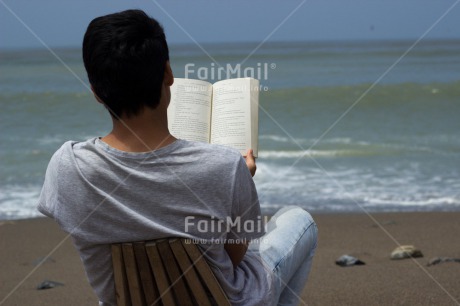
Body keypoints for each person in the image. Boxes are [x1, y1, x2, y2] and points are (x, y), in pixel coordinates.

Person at [37, 9, 317, 306]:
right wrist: (238, 182)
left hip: (126, 300)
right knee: (301, 221)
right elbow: (233, 259)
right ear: (168, 73)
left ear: (95, 92)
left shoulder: (66, 166)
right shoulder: (225, 166)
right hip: (220, 300)